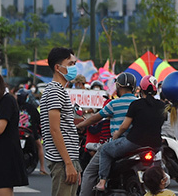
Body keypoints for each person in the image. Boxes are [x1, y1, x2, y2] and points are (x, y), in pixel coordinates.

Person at [93, 72, 166, 192]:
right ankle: (163, 177)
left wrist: (116, 135)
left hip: (134, 142)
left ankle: (102, 182)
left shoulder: (136, 104)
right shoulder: (162, 106)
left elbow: (124, 126)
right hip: (156, 145)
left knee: (105, 150)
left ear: (140, 88)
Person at [78, 71, 139, 196]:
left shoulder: (114, 103)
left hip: (117, 145)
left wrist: (80, 125)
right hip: (137, 144)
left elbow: (95, 118)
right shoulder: (139, 103)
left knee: (89, 172)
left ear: (119, 87)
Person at [40, 47, 81, 196]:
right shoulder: (55, 91)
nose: (74, 67)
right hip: (62, 161)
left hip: (67, 160)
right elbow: (55, 129)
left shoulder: (58, 91)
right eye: (70, 64)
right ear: (58, 68)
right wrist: (69, 163)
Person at [16, 88, 46, 174]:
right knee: (40, 146)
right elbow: (38, 120)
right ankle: (42, 168)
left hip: (17, 131)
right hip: (30, 132)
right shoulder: (31, 107)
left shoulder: (15, 107)